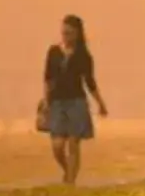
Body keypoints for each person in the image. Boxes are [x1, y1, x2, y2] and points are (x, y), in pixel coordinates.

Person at [36, 14, 109, 185]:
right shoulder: (53, 52)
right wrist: (46, 100)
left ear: (77, 34)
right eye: (63, 33)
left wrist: (101, 104)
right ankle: (67, 170)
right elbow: (48, 78)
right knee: (57, 145)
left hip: (76, 102)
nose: (66, 36)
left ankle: (70, 181)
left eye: (69, 33)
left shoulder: (84, 56)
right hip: (57, 102)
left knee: (74, 144)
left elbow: (90, 82)